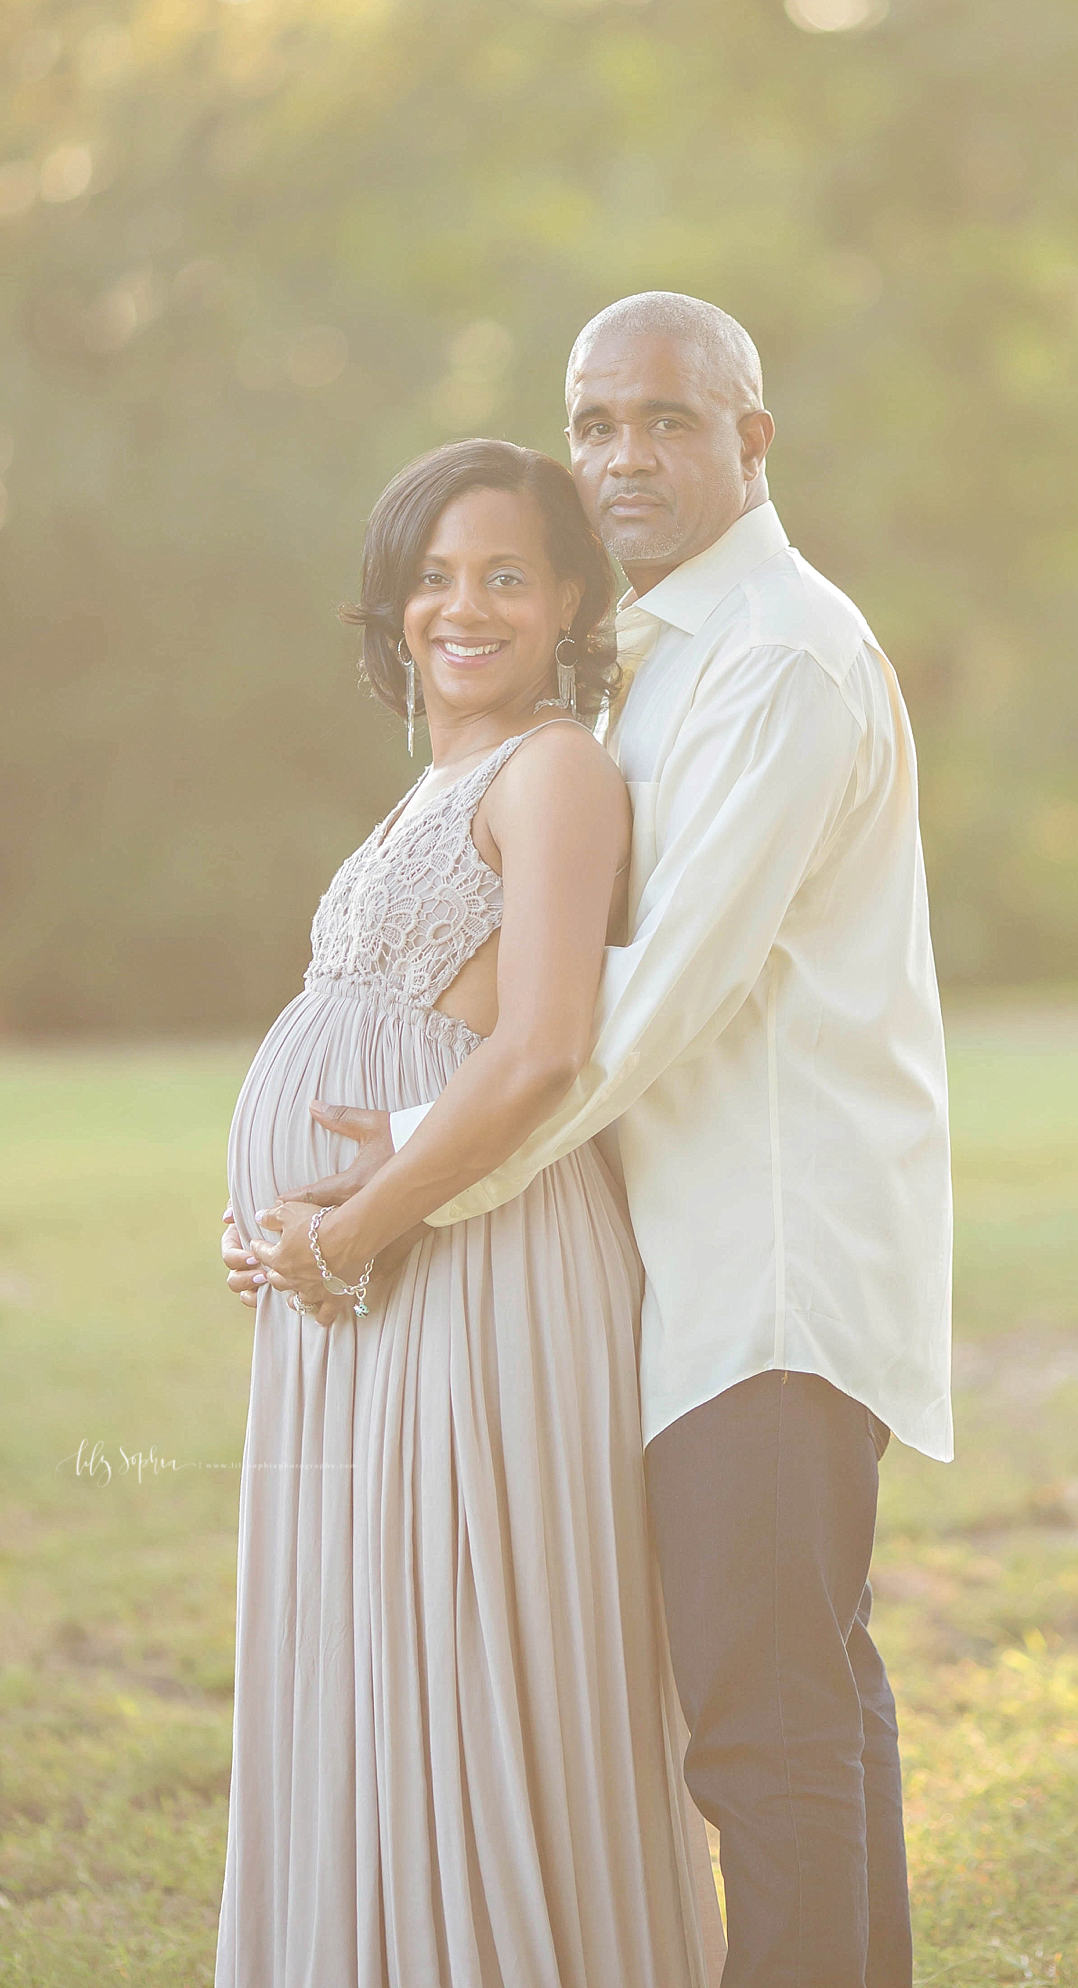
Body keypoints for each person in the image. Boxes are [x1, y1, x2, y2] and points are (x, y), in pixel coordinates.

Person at [234, 292, 954, 1987]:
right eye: (599, 421)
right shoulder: (665, 663)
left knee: (764, 1725)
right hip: (684, 1260)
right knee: (807, 1695)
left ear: (750, 439)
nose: (627, 453)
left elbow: (643, 1002)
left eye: (670, 419)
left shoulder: (773, 659)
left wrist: (402, 1182)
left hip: (763, 1263)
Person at [216, 437, 724, 1988]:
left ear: (571, 593)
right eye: (433, 577)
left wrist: (357, 1229)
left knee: (468, 1662)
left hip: (470, 1268)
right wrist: (288, 1229)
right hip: (361, 1286)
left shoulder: (558, 769)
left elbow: (544, 1048)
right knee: (373, 1667)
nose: (465, 606)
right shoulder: (435, 781)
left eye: (506, 573)